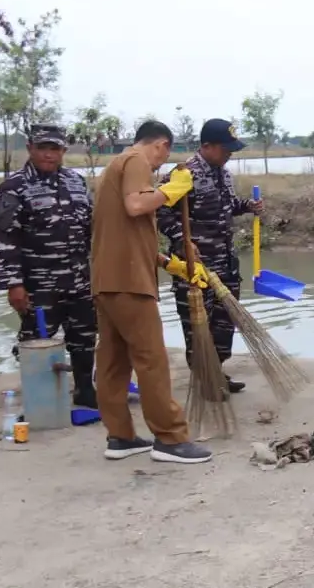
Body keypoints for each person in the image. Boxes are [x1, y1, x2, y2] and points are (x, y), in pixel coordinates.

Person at [91, 120, 216, 464]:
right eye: (163, 155)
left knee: (113, 362)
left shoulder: (113, 167)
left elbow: (124, 228)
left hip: (107, 279)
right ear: (159, 145)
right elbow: (136, 206)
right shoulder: (135, 161)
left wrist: (165, 261)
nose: (160, 165)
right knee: (152, 361)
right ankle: (170, 439)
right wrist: (171, 191)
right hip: (129, 283)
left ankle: (121, 437)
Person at [0, 124, 98, 409]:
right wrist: (13, 283)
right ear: (30, 148)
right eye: (43, 148)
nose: (49, 155)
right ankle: (40, 399)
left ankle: (85, 390)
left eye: (55, 149)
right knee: (36, 339)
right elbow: (5, 238)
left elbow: (93, 229)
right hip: (39, 284)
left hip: (79, 280)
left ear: (63, 151)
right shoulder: (14, 187)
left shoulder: (76, 182)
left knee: (85, 336)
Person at [157, 119, 262, 394]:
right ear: (206, 146)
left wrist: (247, 206)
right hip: (195, 267)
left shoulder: (223, 173)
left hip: (225, 263)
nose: (229, 154)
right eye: (225, 149)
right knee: (197, 327)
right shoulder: (182, 174)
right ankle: (205, 378)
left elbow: (225, 206)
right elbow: (160, 212)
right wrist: (183, 240)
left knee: (224, 326)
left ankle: (217, 371)